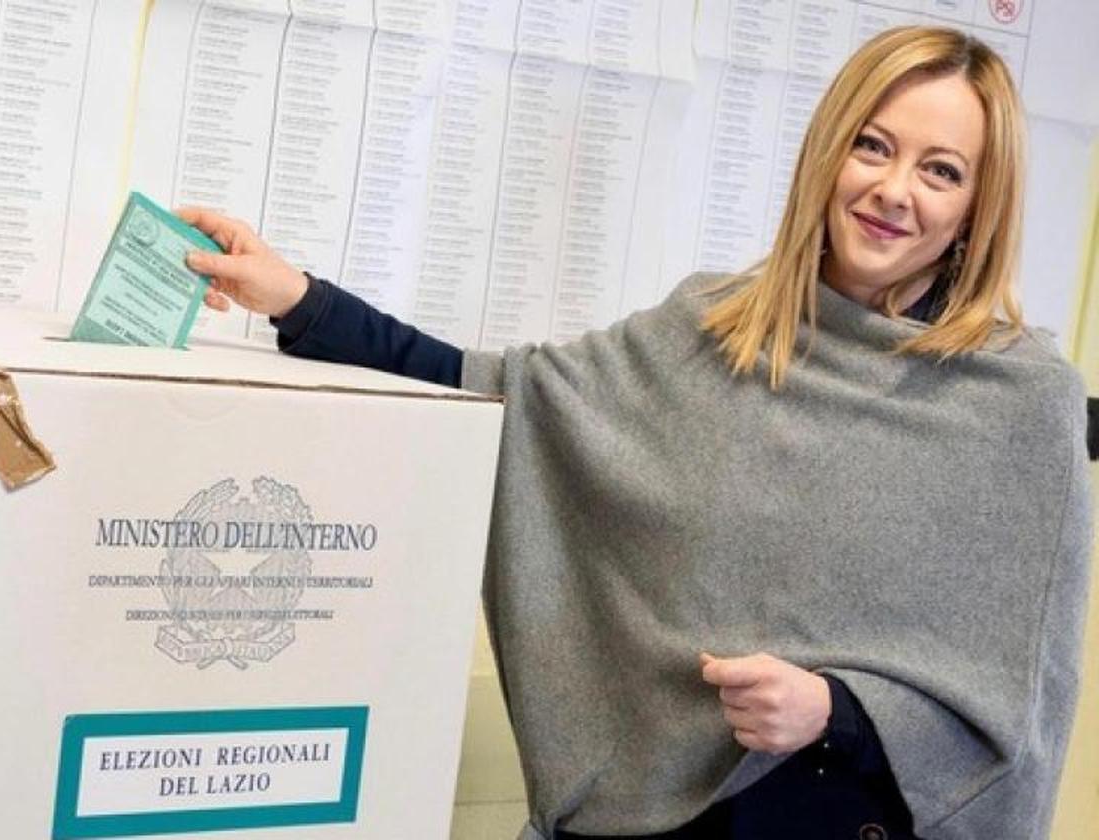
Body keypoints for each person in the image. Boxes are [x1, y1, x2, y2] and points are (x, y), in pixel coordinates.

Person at [177, 26, 1092, 840]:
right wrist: (298, 298)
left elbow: (1012, 708)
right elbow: (510, 395)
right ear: (828, 155)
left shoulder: (1016, 403)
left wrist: (837, 709)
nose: (894, 190)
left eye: (941, 170)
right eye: (873, 146)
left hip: (840, 813)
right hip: (656, 818)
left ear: (979, 205)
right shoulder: (711, 328)